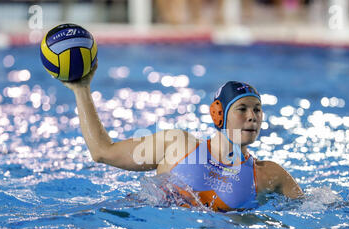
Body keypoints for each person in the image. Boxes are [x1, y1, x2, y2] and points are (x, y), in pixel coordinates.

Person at [62, 63, 304, 212]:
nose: (253, 117)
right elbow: (102, 151)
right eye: (242, 109)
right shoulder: (178, 146)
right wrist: (81, 88)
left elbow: (315, 209)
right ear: (218, 114)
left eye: (258, 110)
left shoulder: (269, 174)